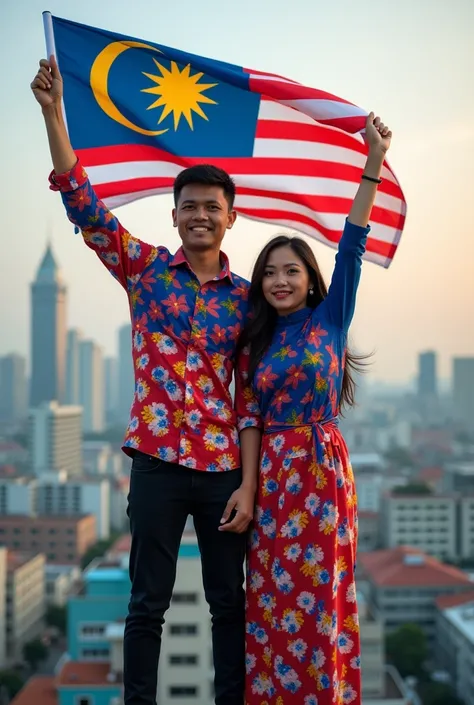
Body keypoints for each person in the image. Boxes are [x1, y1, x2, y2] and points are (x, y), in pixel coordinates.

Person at [31, 56, 262, 705]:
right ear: (175, 215)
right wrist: (53, 113)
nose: (199, 216)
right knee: (145, 604)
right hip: (156, 465)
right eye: (188, 207)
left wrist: (250, 481)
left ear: (229, 218)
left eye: (211, 208)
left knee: (227, 603)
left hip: (222, 471)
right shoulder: (146, 271)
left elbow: (254, 396)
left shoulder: (248, 300)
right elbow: (83, 202)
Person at [240, 113, 392, 703]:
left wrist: (373, 159)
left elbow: (352, 243)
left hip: (323, 475)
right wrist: (250, 487)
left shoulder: (331, 320)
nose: (280, 280)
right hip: (274, 481)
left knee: (322, 596)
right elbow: (248, 418)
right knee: (271, 600)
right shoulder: (253, 341)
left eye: (292, 271)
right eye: (270, 273)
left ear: (309, 280)